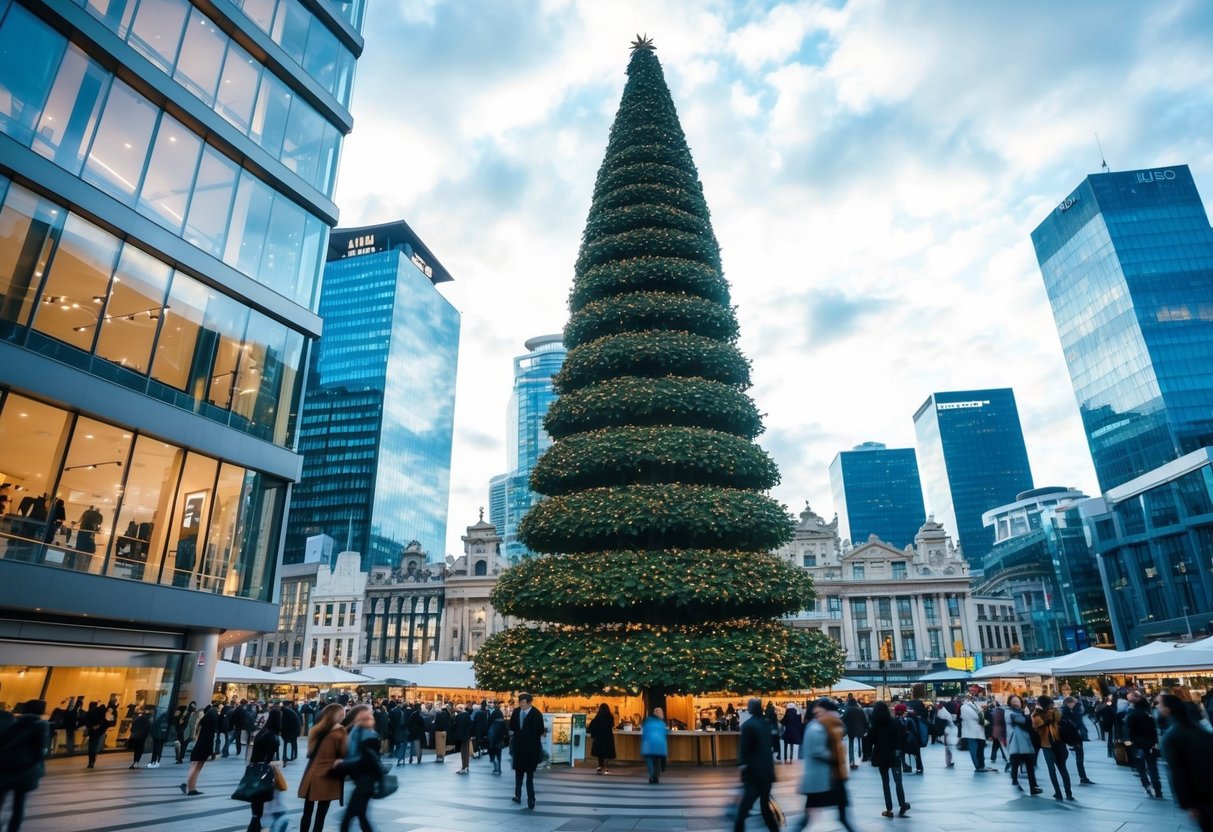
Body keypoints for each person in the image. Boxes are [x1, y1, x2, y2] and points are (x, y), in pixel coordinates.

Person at [797, 699, 857, 832]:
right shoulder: (818, 727)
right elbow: (818, 751)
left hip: (826, 779)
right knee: (809, 817)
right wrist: (835, 756)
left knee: (839, 815)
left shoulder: (817, 726)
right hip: (824, 779)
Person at [1157, 693, 1213, 831]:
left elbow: (1177, 772)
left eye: (1159, 704)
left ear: (1167, 710)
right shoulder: (1200, 729)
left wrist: (1187, 803)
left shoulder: (1171, 736)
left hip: (1201, 796)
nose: (1157, 707)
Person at [0, 700, 49, 832]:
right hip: (26, 772)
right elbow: (41, 751)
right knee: (19, 805)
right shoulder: (42, 725)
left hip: (8, 769)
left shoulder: (15, 723)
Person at [299, 703, 347, 832]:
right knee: (321, 814)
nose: (343, 716)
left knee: (307, 812)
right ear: (335, 715)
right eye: (341, 714)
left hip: (311, 774)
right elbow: (345, 752)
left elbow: (310, 753)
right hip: (327, 774)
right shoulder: (339, 731)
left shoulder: (315, 730)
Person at [735, 698, 780, 832]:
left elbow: (744, 749)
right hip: (767, 772)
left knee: (743, 811)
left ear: (750, 708)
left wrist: (742, 764)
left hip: (753, 774)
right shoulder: (765, 723)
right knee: (765, 806)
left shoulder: (748, 726)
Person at [332, 704, 380, 832]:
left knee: (349, 818)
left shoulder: (369, 735)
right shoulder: (357, 731)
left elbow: (365, 760)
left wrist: (343, 764)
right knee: (361, 816)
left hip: (365, 781)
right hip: (362, 780)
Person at [866, 701, 909, 818]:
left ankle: (889, 809)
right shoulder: (895, 722)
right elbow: (903, 735)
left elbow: (870, 741)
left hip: (881, 756)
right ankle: (902, 804)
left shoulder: (875, 725)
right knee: (898, 781)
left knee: (885, 783)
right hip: (894, 755)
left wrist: (868, 755)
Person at [246, 707, 282, 832]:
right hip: (264, 772)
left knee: (257, 803)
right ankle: (255, 826)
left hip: (254, 769)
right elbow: (269, 759)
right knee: (263, 801)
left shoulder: (262, 732)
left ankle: (256, 824)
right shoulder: (272, 737)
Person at [1032, 695, 1074, 801]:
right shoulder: (1040, 714)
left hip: (1054, 744)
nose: (1052, 705)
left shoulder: (1051, 713)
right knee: (1058, 770)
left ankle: (1064, 793)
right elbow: (1037, 724)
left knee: (1057, 769)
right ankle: (1062, 793)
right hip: (1050, 744)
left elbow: (1038, 723)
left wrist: (1040, 712)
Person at [508, 693, 545, 809]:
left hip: (531, 749)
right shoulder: (516, 712)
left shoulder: (536, 714)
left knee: (530, 777)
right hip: (519, 748)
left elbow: (540, 730)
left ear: (529, 703)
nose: (521, 705)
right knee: (518, 775)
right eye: (520, 702)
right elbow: (512, 727)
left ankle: (531, 799)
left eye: (523, 703)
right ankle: (517, 795)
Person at [1124, 694, 1163, 799]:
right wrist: (1155, 744)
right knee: (1153, 768)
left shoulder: (1131, 716)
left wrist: (1132, 745)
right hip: (1149, 744)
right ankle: (1158, 789)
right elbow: (1153, 732)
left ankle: (1147, 786)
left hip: (1137, 745)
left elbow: (1129, 733)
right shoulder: (1148, 716)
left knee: (1141, 769)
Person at [1004, 694, 1041, 794]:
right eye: (1014, 701)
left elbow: (1029, 724)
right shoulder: (1009, 713)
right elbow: (1023, 722)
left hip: (1025, 741)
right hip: (1015, 741)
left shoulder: (1022, 711)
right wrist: (1028, 715)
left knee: (1029, 764)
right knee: (1015, 763)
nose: (1016, 703)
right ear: (1010, 703)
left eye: (1017, 701)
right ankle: (1015, 782)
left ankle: (1033, 787)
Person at [180, 703, 217, 796]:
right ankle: (190, 788)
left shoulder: (203, 724)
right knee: (196, 767)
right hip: (201, 747)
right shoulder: (209, 724)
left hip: (199, 747)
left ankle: (190, 786)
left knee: (195, 767)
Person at [1060, 696, 1094, 785]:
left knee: (1079, 758)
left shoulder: (1072, 712)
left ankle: (1083, 777)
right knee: (1078, 759)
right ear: (1069, 703)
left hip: (1075, 738)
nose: (1074, 704)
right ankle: (1082, 777)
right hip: (1071, 738)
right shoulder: (1070, 713)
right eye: (1073, 703)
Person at [959, 695, 990, 772]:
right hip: (972, 731)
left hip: (977, 730)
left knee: (979, 749)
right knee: (975, 750)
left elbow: (980, 715)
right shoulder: (964, 707)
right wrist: (981, 718)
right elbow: (977, 716)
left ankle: (981, 765)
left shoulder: (975, 705)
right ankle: (978, 766)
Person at [641, 707, 668, 784]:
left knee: (650, 761)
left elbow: (644, 732)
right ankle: (656, 776)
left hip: (649, 744)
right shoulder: (662, 723)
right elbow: (665, 733)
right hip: (659, 745)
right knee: (657, 761)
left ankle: (652, 776)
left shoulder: (648, 721)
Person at [588, 703, 616, 774]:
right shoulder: (610, 717)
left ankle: (601, 765)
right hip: (608, 737)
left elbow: (591, 726)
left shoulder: (598, 717)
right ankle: (606, 767)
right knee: (607, 752)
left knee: (600, 753)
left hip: (599, 738)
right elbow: (612, 725)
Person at [84, 701, 112, 769]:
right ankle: (93, 761)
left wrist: (91, 727)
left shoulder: (88, 713)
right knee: (96, 748)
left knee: (91, 747)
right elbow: (107, 722)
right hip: (100, 732)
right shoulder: (101, 712)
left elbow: (86, 722)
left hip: (92, 731)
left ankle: (90, 762)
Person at [842, 698, 868, 769]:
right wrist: (866, 728)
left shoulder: (848, 710)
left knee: (851, 745)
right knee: (859, 743)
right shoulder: (860, 710)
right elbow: (865, 720)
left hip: (851, 729)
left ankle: (851, 761)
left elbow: (843, 720)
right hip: (860, 729)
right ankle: (859, 756)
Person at [486, 703, 507, 775]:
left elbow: (488, 730)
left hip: (493, 741)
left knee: (493, 754)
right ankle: (499, 768)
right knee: (499, 755)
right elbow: (506, 732)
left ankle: (496, 767)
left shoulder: (492, 723)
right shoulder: (502, 722)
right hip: (500, 741)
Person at [934, 702, 957, 768]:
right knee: (948, 747)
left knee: (948, 746)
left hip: (947, 731)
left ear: (941, 705)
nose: (937, 706)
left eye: (938, 705)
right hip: (946, 730)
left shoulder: (945, 713)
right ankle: (949, 761)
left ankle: (950, 761)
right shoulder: (941, 711)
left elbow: (946, 723)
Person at [452, 703, 472, 774]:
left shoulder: (458, 717)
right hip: (467, 735)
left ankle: (464, 767)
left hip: (460, 736)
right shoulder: (467, 715)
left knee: (463, 752)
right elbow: (470, 725)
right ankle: (466, 766)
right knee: (466, 751)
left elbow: (454, 726)